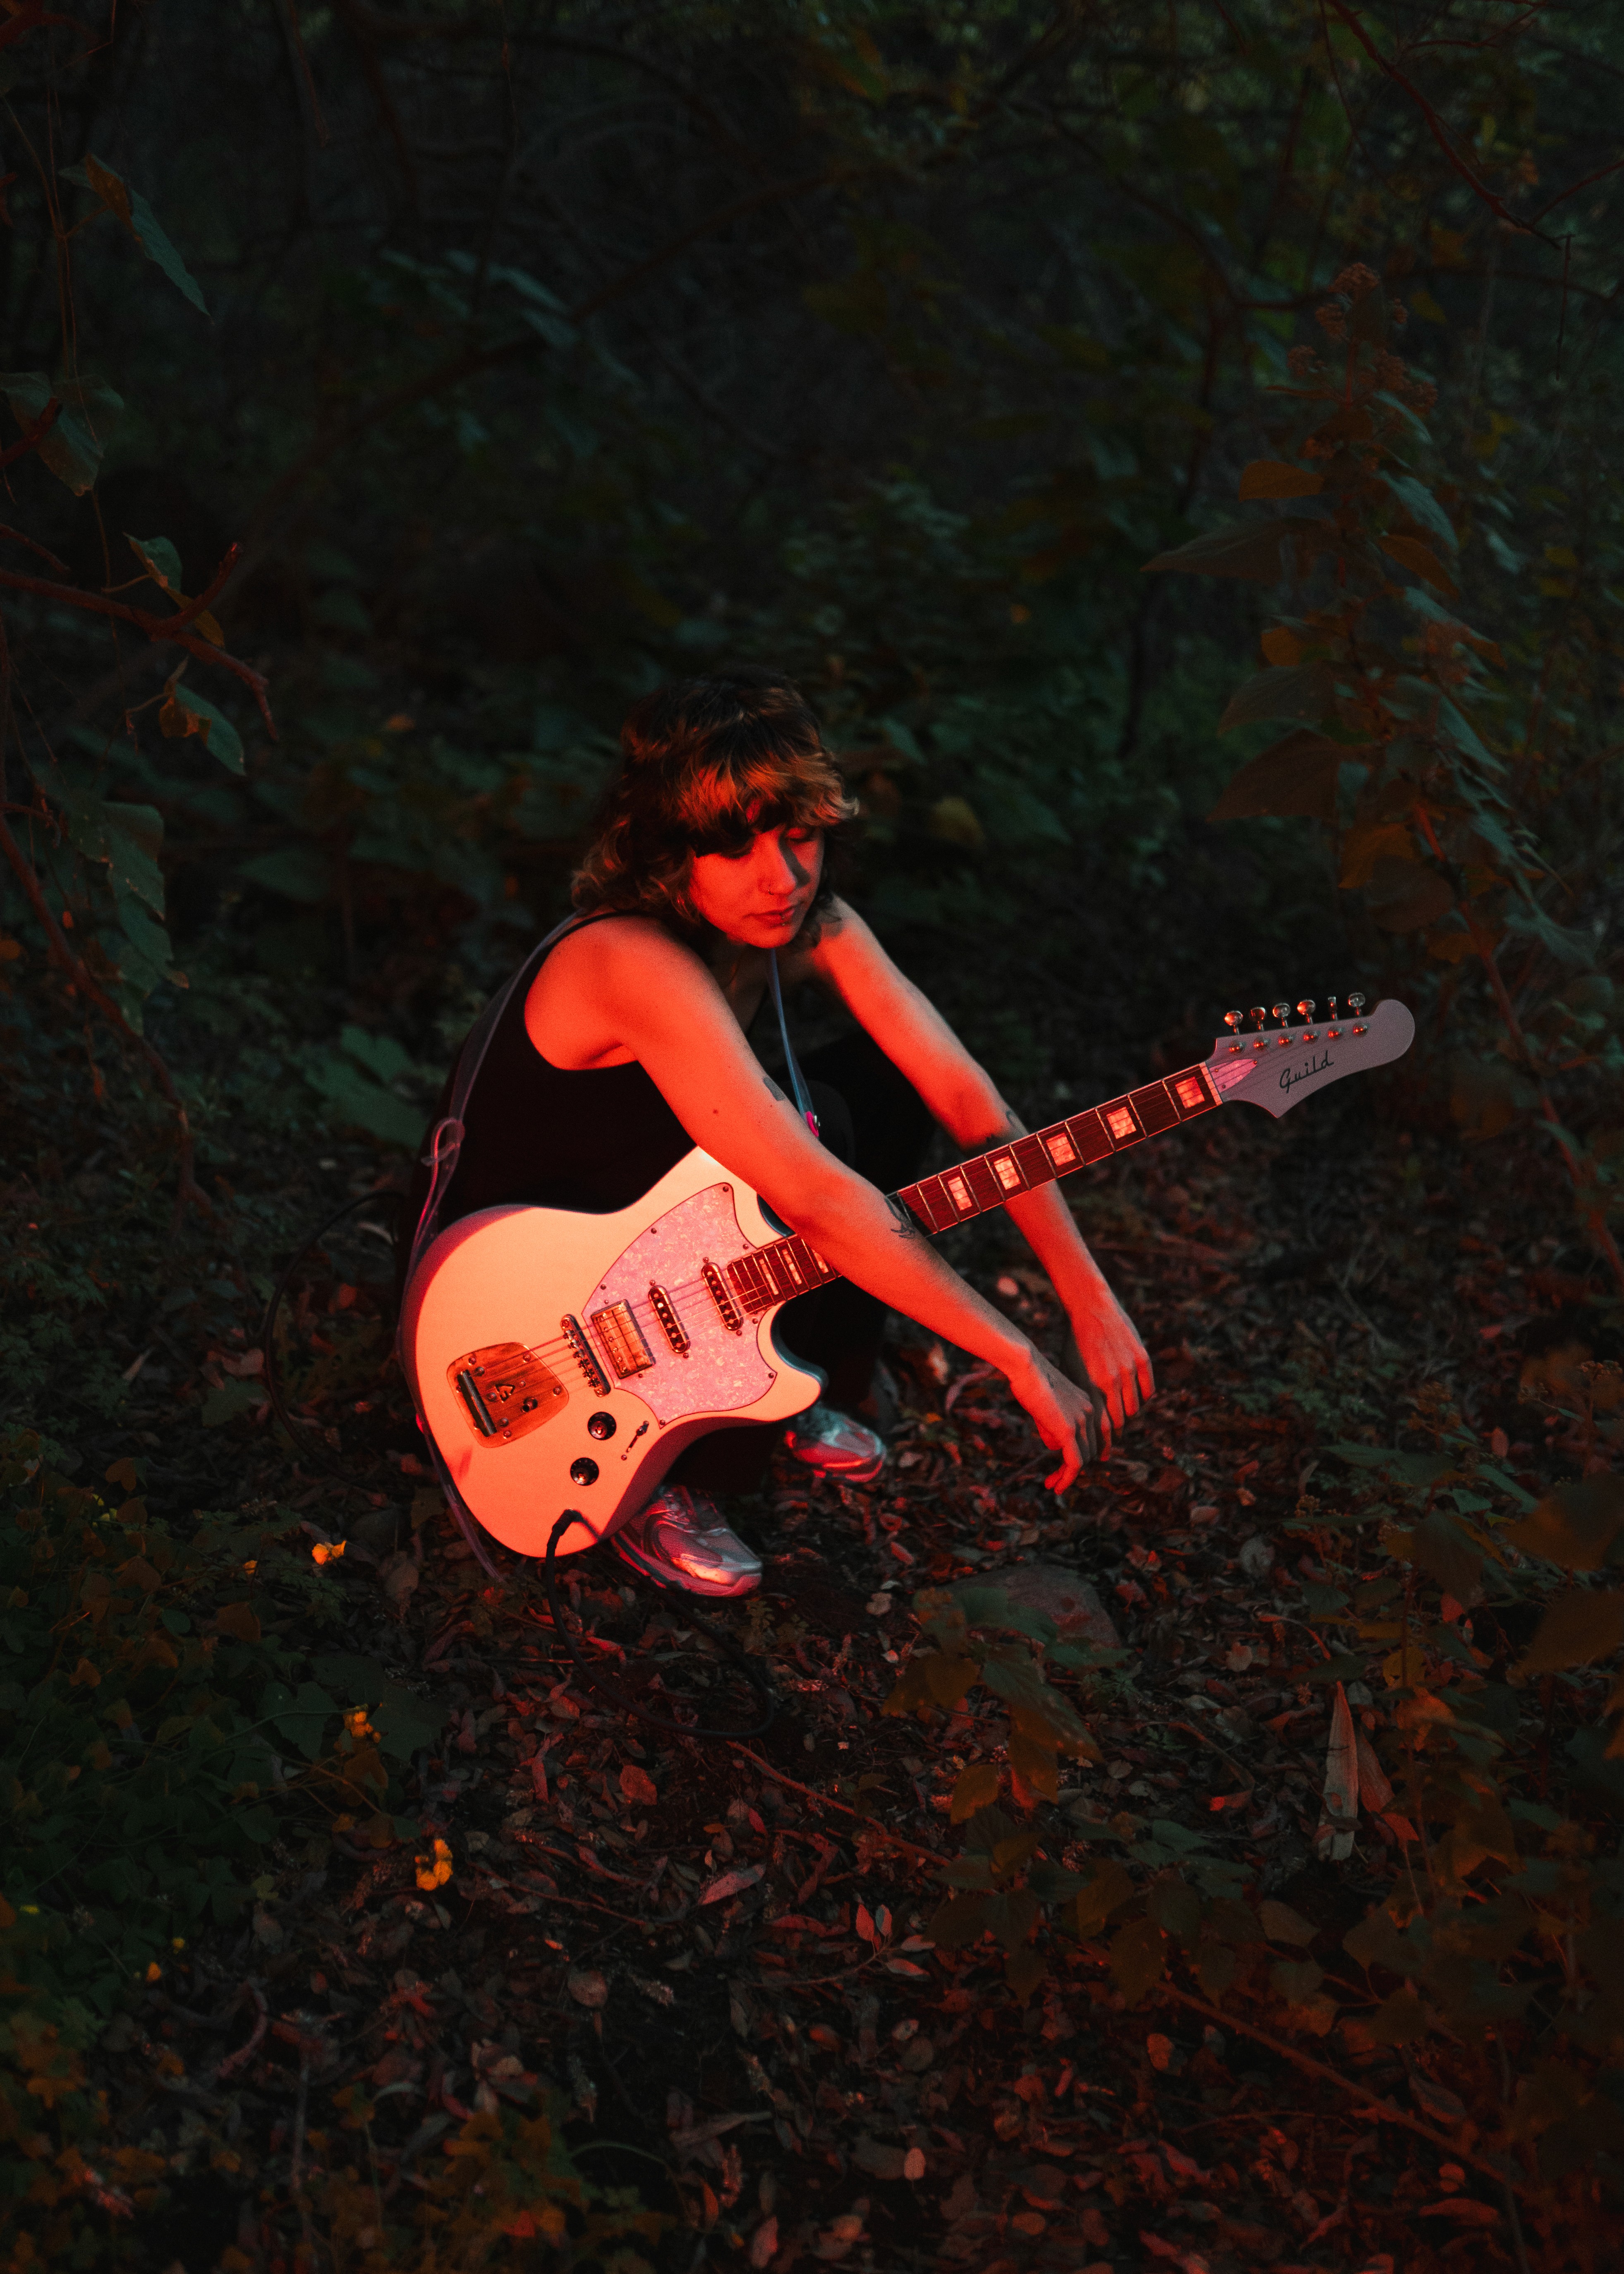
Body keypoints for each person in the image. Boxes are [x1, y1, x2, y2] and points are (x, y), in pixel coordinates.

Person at [420, 669, 1153, 1596]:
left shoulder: (810, 920)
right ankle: (682, 1471)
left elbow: (969, 1100)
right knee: (800, 1157)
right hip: (526, 1296)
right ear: (664, 851)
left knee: (869, 1094)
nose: (785, 878)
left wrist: (1084, 1294)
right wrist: (1018, 1353)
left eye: (799, 834)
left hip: (642, 1224)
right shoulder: (628, 958)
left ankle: (805, 1375)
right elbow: (818, 1198)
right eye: (737, 848)